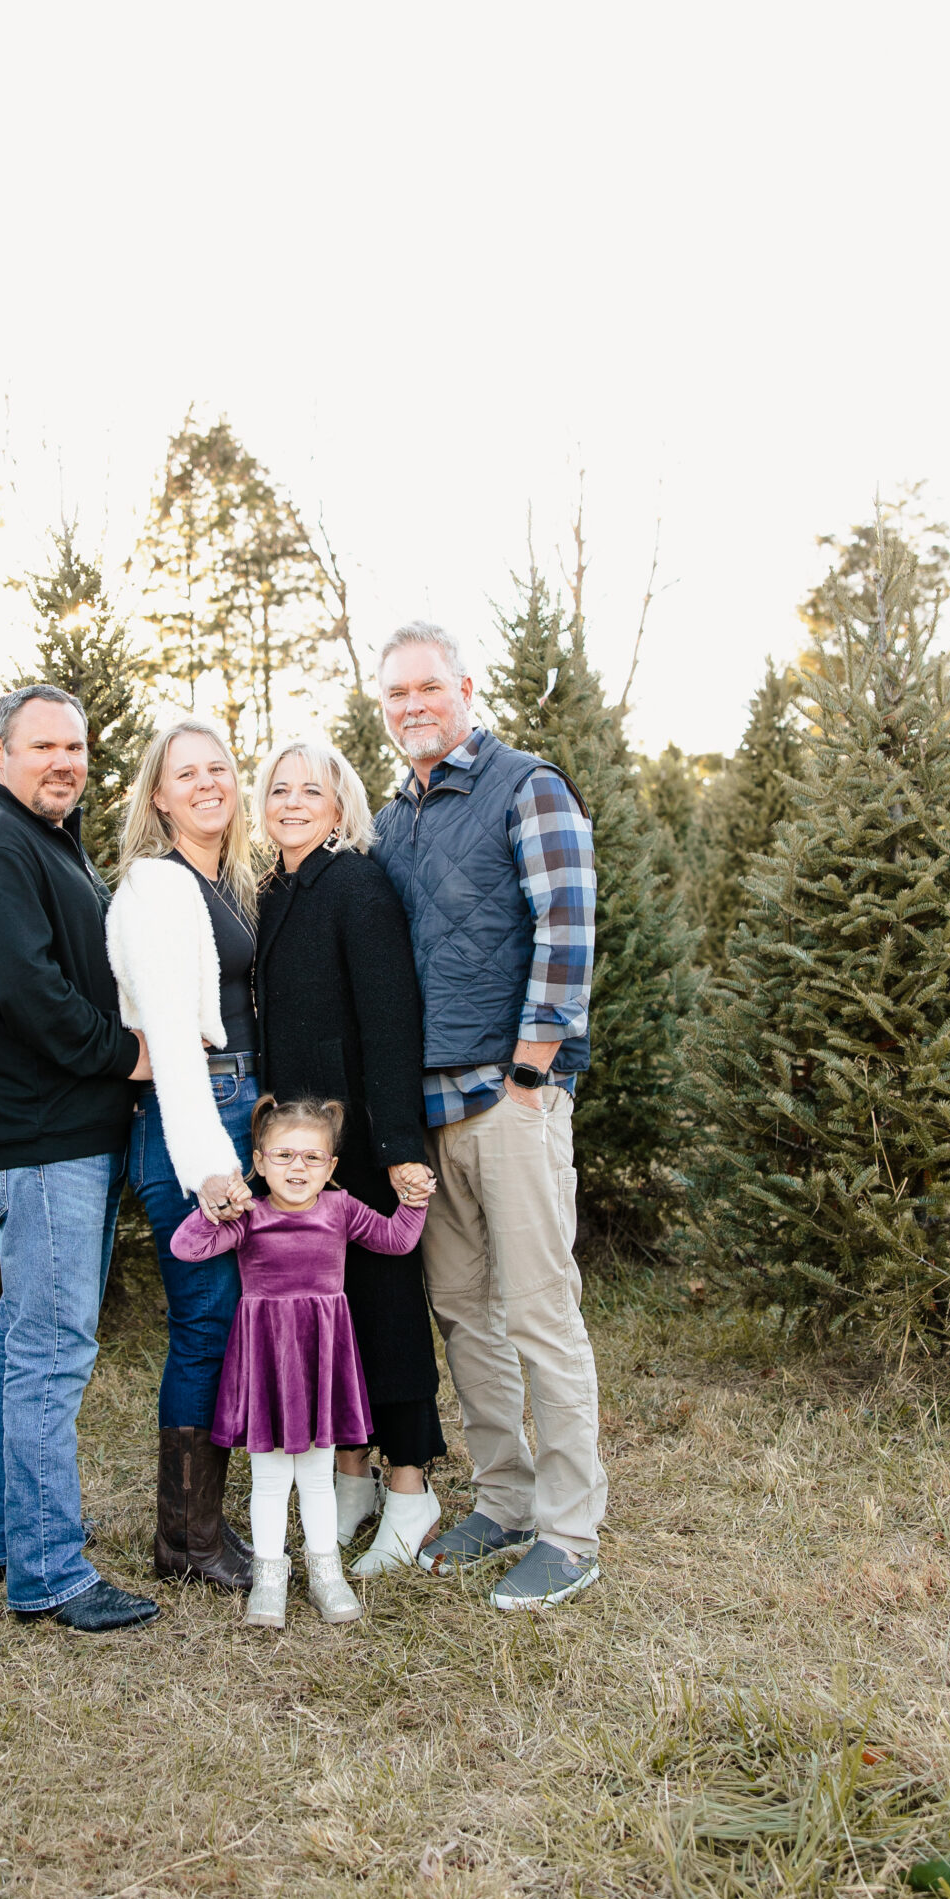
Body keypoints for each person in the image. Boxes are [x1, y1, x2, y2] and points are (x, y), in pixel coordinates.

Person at [372, 620, 608, 1613]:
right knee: (464, 1312)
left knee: (539, 1311)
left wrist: (528, 1076)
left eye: (428, 686)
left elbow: (567, 928)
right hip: (428, 1118)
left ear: (464, 689)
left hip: (507, 1102)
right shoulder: (390, 819)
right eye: (395, 694)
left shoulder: (526, 786)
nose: (413, 706)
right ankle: (505, 1501)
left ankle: (569, 1531)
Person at [0, 681, 158, 1636]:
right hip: (38, 1139)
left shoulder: (47, 840)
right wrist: (124, 1055)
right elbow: (19, 986)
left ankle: (2, 1536)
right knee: (51, 1352)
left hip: (59, 1135)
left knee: (24, 1341)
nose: (64, 762)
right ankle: (50, 1572)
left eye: (75, 747)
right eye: (43, 747)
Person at [252, 736, 446, 1576]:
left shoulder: (357, 884)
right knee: (329, 1315)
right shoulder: (270, 891)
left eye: (310, 790)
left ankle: (410, 1486)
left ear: (339, 806)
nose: (292, 803)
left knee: (384, 1305)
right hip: (296, 1148)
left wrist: (398, 1145)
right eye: (279, 789)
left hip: (359, 1142)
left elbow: (390, 1021)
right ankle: (352, 1475)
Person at [171, 1097, 432, 1631]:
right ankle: (270, 1575)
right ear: (259, 1162)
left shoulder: (340, 1209)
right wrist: (215, 1206)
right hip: (267, 1358)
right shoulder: (251, 1216)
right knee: (269, 1477)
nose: (298, 1167)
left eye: (312, 1158)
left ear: (331, 1166)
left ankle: (324, 1573)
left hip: (321, 1359)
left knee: (316, 1474)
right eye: (284, 1155)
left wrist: (415, 1199)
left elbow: (396, 1239)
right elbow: (185, 1248)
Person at [106, 719, 261, 1593]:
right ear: (158, 797)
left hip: (238, 1107)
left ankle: (202, 1524)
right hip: (189, 1117)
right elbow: (167, 1034)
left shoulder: (230, 882)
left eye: (218, 768)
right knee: (205, 1322)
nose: (207, 784)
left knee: (227, 1321)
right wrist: (207, 1165)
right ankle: (186, 1539)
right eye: (186, 774)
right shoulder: (157, 886)